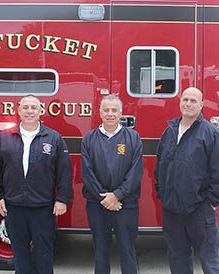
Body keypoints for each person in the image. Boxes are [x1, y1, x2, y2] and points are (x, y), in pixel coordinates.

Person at [154, 87, 219, 274]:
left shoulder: (212, 135)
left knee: (210, 263)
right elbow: (159, 167)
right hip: (172, 211)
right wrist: (163, 193)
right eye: (185, 99)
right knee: (178, 260)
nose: (188, 104)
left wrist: (211, 203)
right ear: (180, 102)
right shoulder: (169, 132)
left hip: (200, 212)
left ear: (201, 105)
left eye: (193, 101)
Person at [0, 94, 73, 274]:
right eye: (25, 107)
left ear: (41, 111)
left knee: (44, 253)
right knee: (20, 253)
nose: (29, 111)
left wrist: (62, 199)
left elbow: (64, 171)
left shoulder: (54, 138)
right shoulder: (4, 138)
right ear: (18, 111)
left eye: (33, 108)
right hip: (14, 207)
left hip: (43, 208)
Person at [81, 94, 143, 274]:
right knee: (101, 250)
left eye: (114, 110)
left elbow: (135, 172)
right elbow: (87, 173)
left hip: (126, 204)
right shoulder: (88, 139)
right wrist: (105, 198)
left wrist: (117, 195)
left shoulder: (133, 138)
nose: (110, 114)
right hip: (97, 204)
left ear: (121, 113)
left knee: (127, 250)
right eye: (106, 110)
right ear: (99, 113)